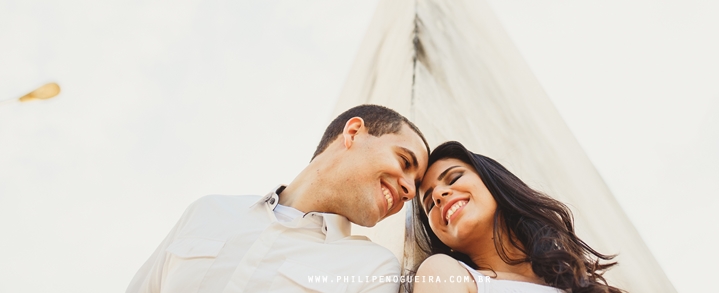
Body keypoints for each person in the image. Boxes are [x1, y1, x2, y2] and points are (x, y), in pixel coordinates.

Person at [126, 104, 429, 293]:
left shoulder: (373, 269)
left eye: (416, 186)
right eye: (404, 161)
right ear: (353, 133)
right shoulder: (206, 212)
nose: (410, 192)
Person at [413, 141, 623, 293]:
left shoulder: (578, 284)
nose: (439, 195)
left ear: (495, 183)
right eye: (430, 204)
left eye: (454, 177)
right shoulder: (445, 272)